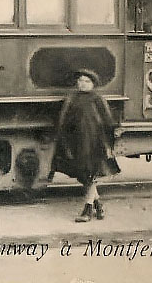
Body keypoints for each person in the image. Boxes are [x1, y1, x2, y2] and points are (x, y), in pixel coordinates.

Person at [49, 68, 120, 222]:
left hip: (94, 143)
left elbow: (108, 122)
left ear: (93, 84)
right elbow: (63, 120)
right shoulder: (72, 98)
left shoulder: (97, 99)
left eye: (87, 81)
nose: (83, 84)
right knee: (85, 176)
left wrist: (108, 144)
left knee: (90, 176)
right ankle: (99, 207)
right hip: (76, 142)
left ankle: (87, 211)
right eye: (80, 80)